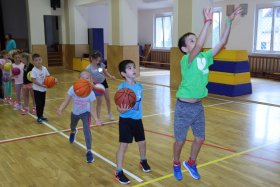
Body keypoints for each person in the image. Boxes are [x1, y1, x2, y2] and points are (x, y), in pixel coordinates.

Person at [172, 7, 242, 181]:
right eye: (191, 41)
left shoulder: (205, 57)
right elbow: (199, 46)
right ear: (184, 48)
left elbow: (222, 42)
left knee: (200, 138)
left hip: (197, 106)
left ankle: (191, 162)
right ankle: (175, 163)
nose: (195, 42)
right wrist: (207, 23)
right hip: (183, 107)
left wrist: (229, 21)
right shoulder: (186, 59)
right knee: (180, 140)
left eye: (195, 39)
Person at [114, 60, 151, 185]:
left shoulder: (139, 86)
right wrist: (122, 110)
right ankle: (118, 171)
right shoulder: (122, 89)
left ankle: (143, 160)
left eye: (134, 67)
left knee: (142, 142)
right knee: (123, 146)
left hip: (137, 120)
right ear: (123, 73)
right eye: (129, 68)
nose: (133, 69)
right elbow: (119, 108)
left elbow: (139, 104)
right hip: (125, 120)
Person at [57, 70, 102, 163]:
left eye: (87, 78)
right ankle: (73, 131)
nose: (85, 79)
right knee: (72, 126)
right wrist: (61, 109)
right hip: (75, 113)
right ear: (78, 79)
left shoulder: (91, 93)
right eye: (82, 77)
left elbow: (92, 109)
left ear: (90, 80)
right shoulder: (73, 88)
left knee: (86, 130)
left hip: (86, 113)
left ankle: (89, 151)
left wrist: (96, 119)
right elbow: (66, 101)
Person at [86, 50, 116, 121]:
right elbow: (88, 78)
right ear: (91, 58)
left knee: (108, 99)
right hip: (96, 85)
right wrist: (91, 83)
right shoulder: (88, 68)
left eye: (99, 60)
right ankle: (98, 118)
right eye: (96, 60)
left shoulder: (101, 65)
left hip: (104, 82)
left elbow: (105, 72)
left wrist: (111, 76)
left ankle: (109, 113)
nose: (97, 62)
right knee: (99, 102)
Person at [31, 53, 52, 124]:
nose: (38, 61)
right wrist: (42, 85)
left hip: (43, 90)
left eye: (39, 59)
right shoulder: (34, 70)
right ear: (33, 62)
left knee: (43, 103)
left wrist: (53, 81)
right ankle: (39, 117)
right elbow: (33, 80)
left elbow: (48, 77)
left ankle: (41, 115)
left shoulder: (44, 68)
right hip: (37, 90)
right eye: (36, 60)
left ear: (42, 60)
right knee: (38, 103)